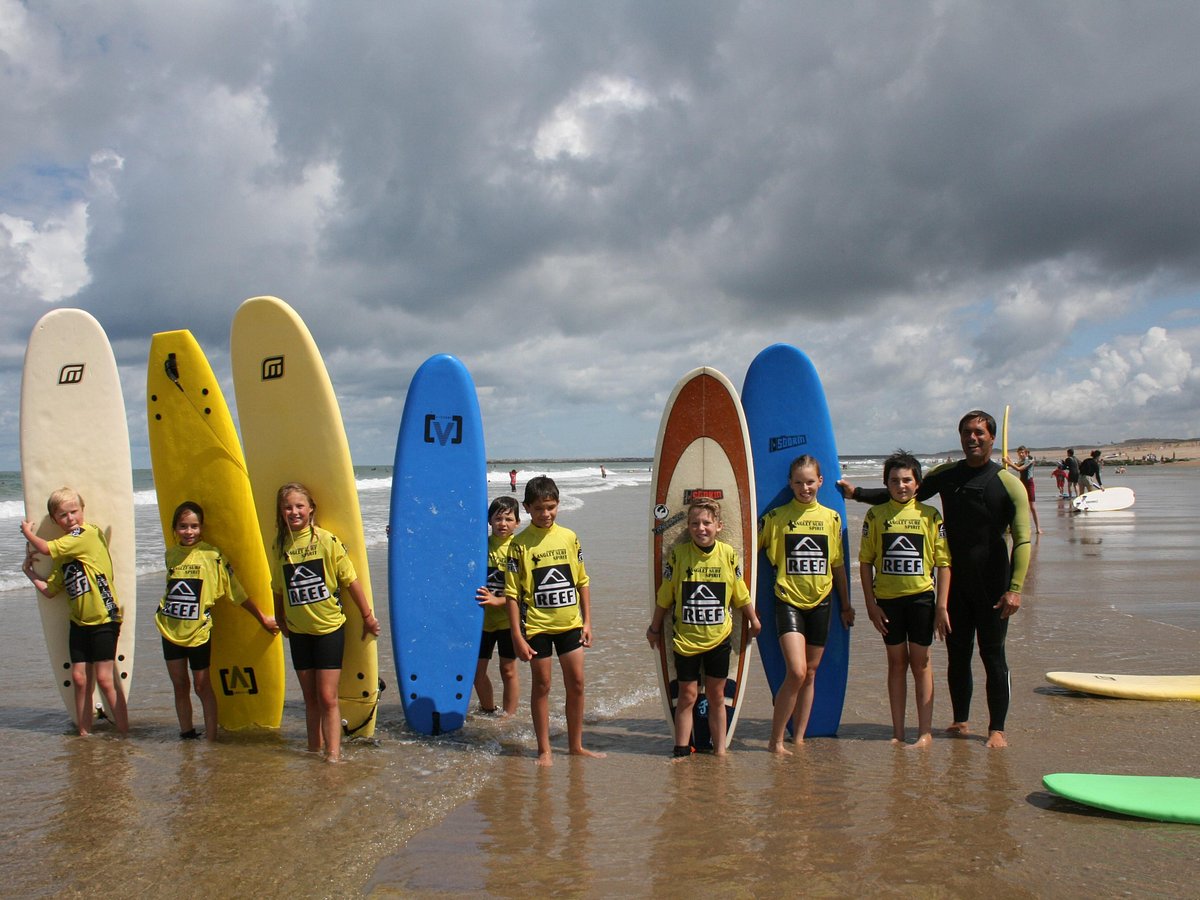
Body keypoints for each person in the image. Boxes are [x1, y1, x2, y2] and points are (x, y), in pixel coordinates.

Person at [840, 410, 1031, 749]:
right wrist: (858, 495)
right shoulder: (947, 475)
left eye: (979, 433)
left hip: (992, 584)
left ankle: (996, 729)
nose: (972, 438)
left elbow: (1022, 538)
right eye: (966, 432)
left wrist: (1015, 589)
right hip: (954, 586)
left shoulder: (1008, 483)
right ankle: (960, 720)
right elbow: (902, 494)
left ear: (991, 436)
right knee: (958, 654)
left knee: (992, 654)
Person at [272, 482, 380, 762]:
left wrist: (367, 616)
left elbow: (351, 580)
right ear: (281, 512)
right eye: (288, 507)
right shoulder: (280, 544)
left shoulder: (326, 541)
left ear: (311, 509)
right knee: (310, 699)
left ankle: (333, 755)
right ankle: (313, 748)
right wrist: (280, 617)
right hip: (298, 632)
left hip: (329, 628)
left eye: (299, 506)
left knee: (327, 697)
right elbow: (278, 586)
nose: (294, 511)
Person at [646, 498, 762, 758]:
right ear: (687, 526)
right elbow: (667, 594)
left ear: (718, 526)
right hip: (685, 640)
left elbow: (740, 593)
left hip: (719, 639)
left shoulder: (729, 555)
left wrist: (753, 619)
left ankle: (720, 751)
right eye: (695, 523)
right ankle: (681, 749)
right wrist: (654, 626)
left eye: (707, 523)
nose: (701, 528)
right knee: (687, 696)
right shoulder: (679, 555)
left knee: (716, 696)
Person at [504, 475, 605, 765]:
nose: (545, 514)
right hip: (537, 627)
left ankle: (576, 745)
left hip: (571, 624)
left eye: (550, 507)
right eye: (538, 508)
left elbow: (582, 581)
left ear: (558, 504)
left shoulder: (570, 537)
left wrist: (587, 623)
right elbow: (512, 594)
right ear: (526, 508)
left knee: (577, 684)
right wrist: (517, 636)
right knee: (543, 686)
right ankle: (544, 750)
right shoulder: (519, 545)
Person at [157, 501, 278, 740]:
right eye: (183, 526)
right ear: (175, 528)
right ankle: (187, 733)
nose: (189, 532)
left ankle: (211, 737)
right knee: (180, 685)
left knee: (202, 686)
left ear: (201, 527)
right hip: (169, 629)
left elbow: (235, 592)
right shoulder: (170, 555)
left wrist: (261, 617)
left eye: (194, 526)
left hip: (198, 632)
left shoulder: (212, 556)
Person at [758, 455, 854, 753]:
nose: (804, 487)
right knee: (797, 671)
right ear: (790, 483)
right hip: (787, 601)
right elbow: (746, 553)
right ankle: (776, 740)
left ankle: (798, 738)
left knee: (811, 673)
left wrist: (846, 604)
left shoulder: (831, 518)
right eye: (798, 482)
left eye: (810, 481)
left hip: (822, 602)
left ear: (820, 482)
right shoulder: (775, 518)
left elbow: (837, 565)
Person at [858, 451, 951, 748]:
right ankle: (897, 732)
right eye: (895, 480)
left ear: (918, 484)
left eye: (907, 480)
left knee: (921, 663)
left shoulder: (930, 516)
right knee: (896, 664)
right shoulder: (875, 515)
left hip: (922, 600)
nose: (901, 485)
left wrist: (941, 607)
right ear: (886, 483)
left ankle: (925, 732)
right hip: (887, 602)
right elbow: (865, 562)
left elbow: (943, 563)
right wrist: (871, 604)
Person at [21, 488, 129, 736]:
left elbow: (46, 549)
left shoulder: (87, 533)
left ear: (82, 511)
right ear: (54, 520)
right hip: (79, 623)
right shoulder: (64, 556)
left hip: (104, 618)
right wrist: (29, 573)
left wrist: (28, 533)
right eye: (63, 515)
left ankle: (124, 733)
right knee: (80, 679)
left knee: (103, 680)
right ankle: (84, 733)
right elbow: (50, 590)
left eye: (74, 512)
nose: (70, 518)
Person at [473, 496, 521, 716]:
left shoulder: (520, 548)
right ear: (489, 521)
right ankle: (489, 709)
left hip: (507, 622)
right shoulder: (479, 545)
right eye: (498, 518)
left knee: (508, 670)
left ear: (518, 522)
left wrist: (497, 600)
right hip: (480, 623)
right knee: (476, 672)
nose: (503, 523)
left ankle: (508, 717)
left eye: (509, 519)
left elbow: (524, 593)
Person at [1004, 445, 1043, 535]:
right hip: (1022, 483)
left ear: (1026, 453)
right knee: (1022, 506)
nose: (1020, 454)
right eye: (1019, 453)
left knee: (1032, 507)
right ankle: (1025, 527)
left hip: (1029, 483)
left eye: (1022, 453)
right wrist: (1008, 461)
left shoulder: (1030, 461)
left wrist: (1008, 462)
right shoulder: (1021, 461)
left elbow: (1018, 469)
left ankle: (1038, 528)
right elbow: (1016, 465)